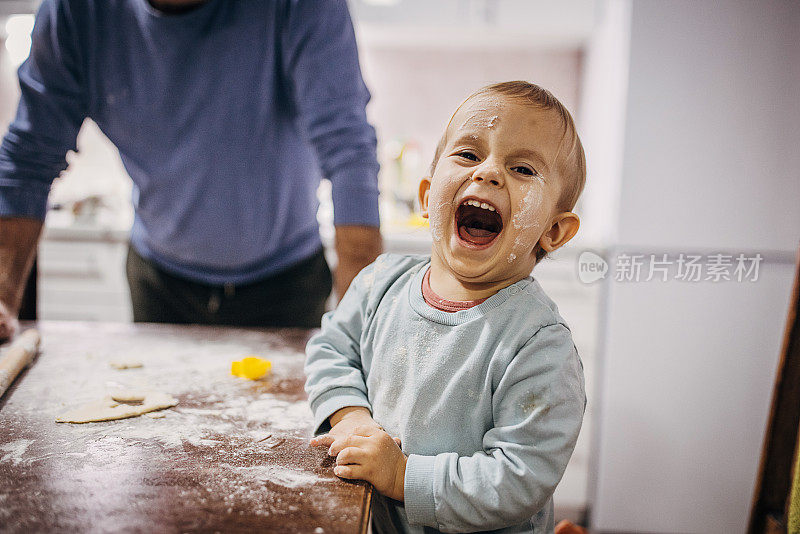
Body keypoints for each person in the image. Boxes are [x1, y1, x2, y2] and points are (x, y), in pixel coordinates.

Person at [0, 0, 382, 339]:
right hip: (160, 280)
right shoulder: (75, 11)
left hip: (288, 281)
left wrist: (359, 325)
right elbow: (27, 159)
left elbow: (348, 150)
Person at [304, 81, 587, 533]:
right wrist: (351, 415)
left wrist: (402, 475)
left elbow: (517, 479)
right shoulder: (380, 283)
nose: (488, 173)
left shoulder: (538, 347)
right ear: (427, 196)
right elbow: (332, 349)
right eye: (470, 155)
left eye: (521, 168)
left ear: (554, 231)